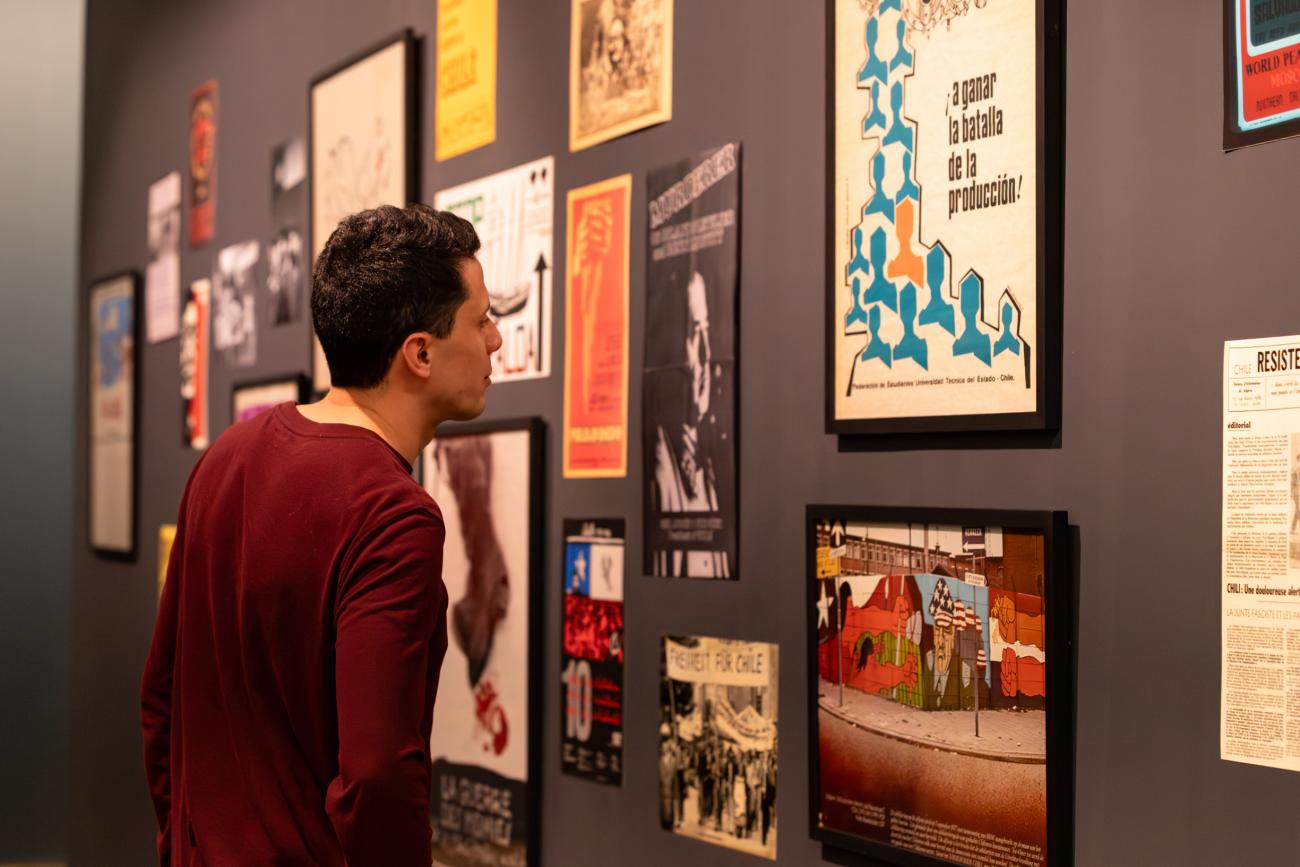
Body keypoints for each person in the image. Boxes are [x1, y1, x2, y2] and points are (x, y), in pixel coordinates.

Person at [141, 204, 502, 866]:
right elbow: (377, 775)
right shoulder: (395, 515)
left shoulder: (227, 455)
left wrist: (179, 840)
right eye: (481, 320)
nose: (496, 340)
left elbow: (160, 701)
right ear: (419, 352)